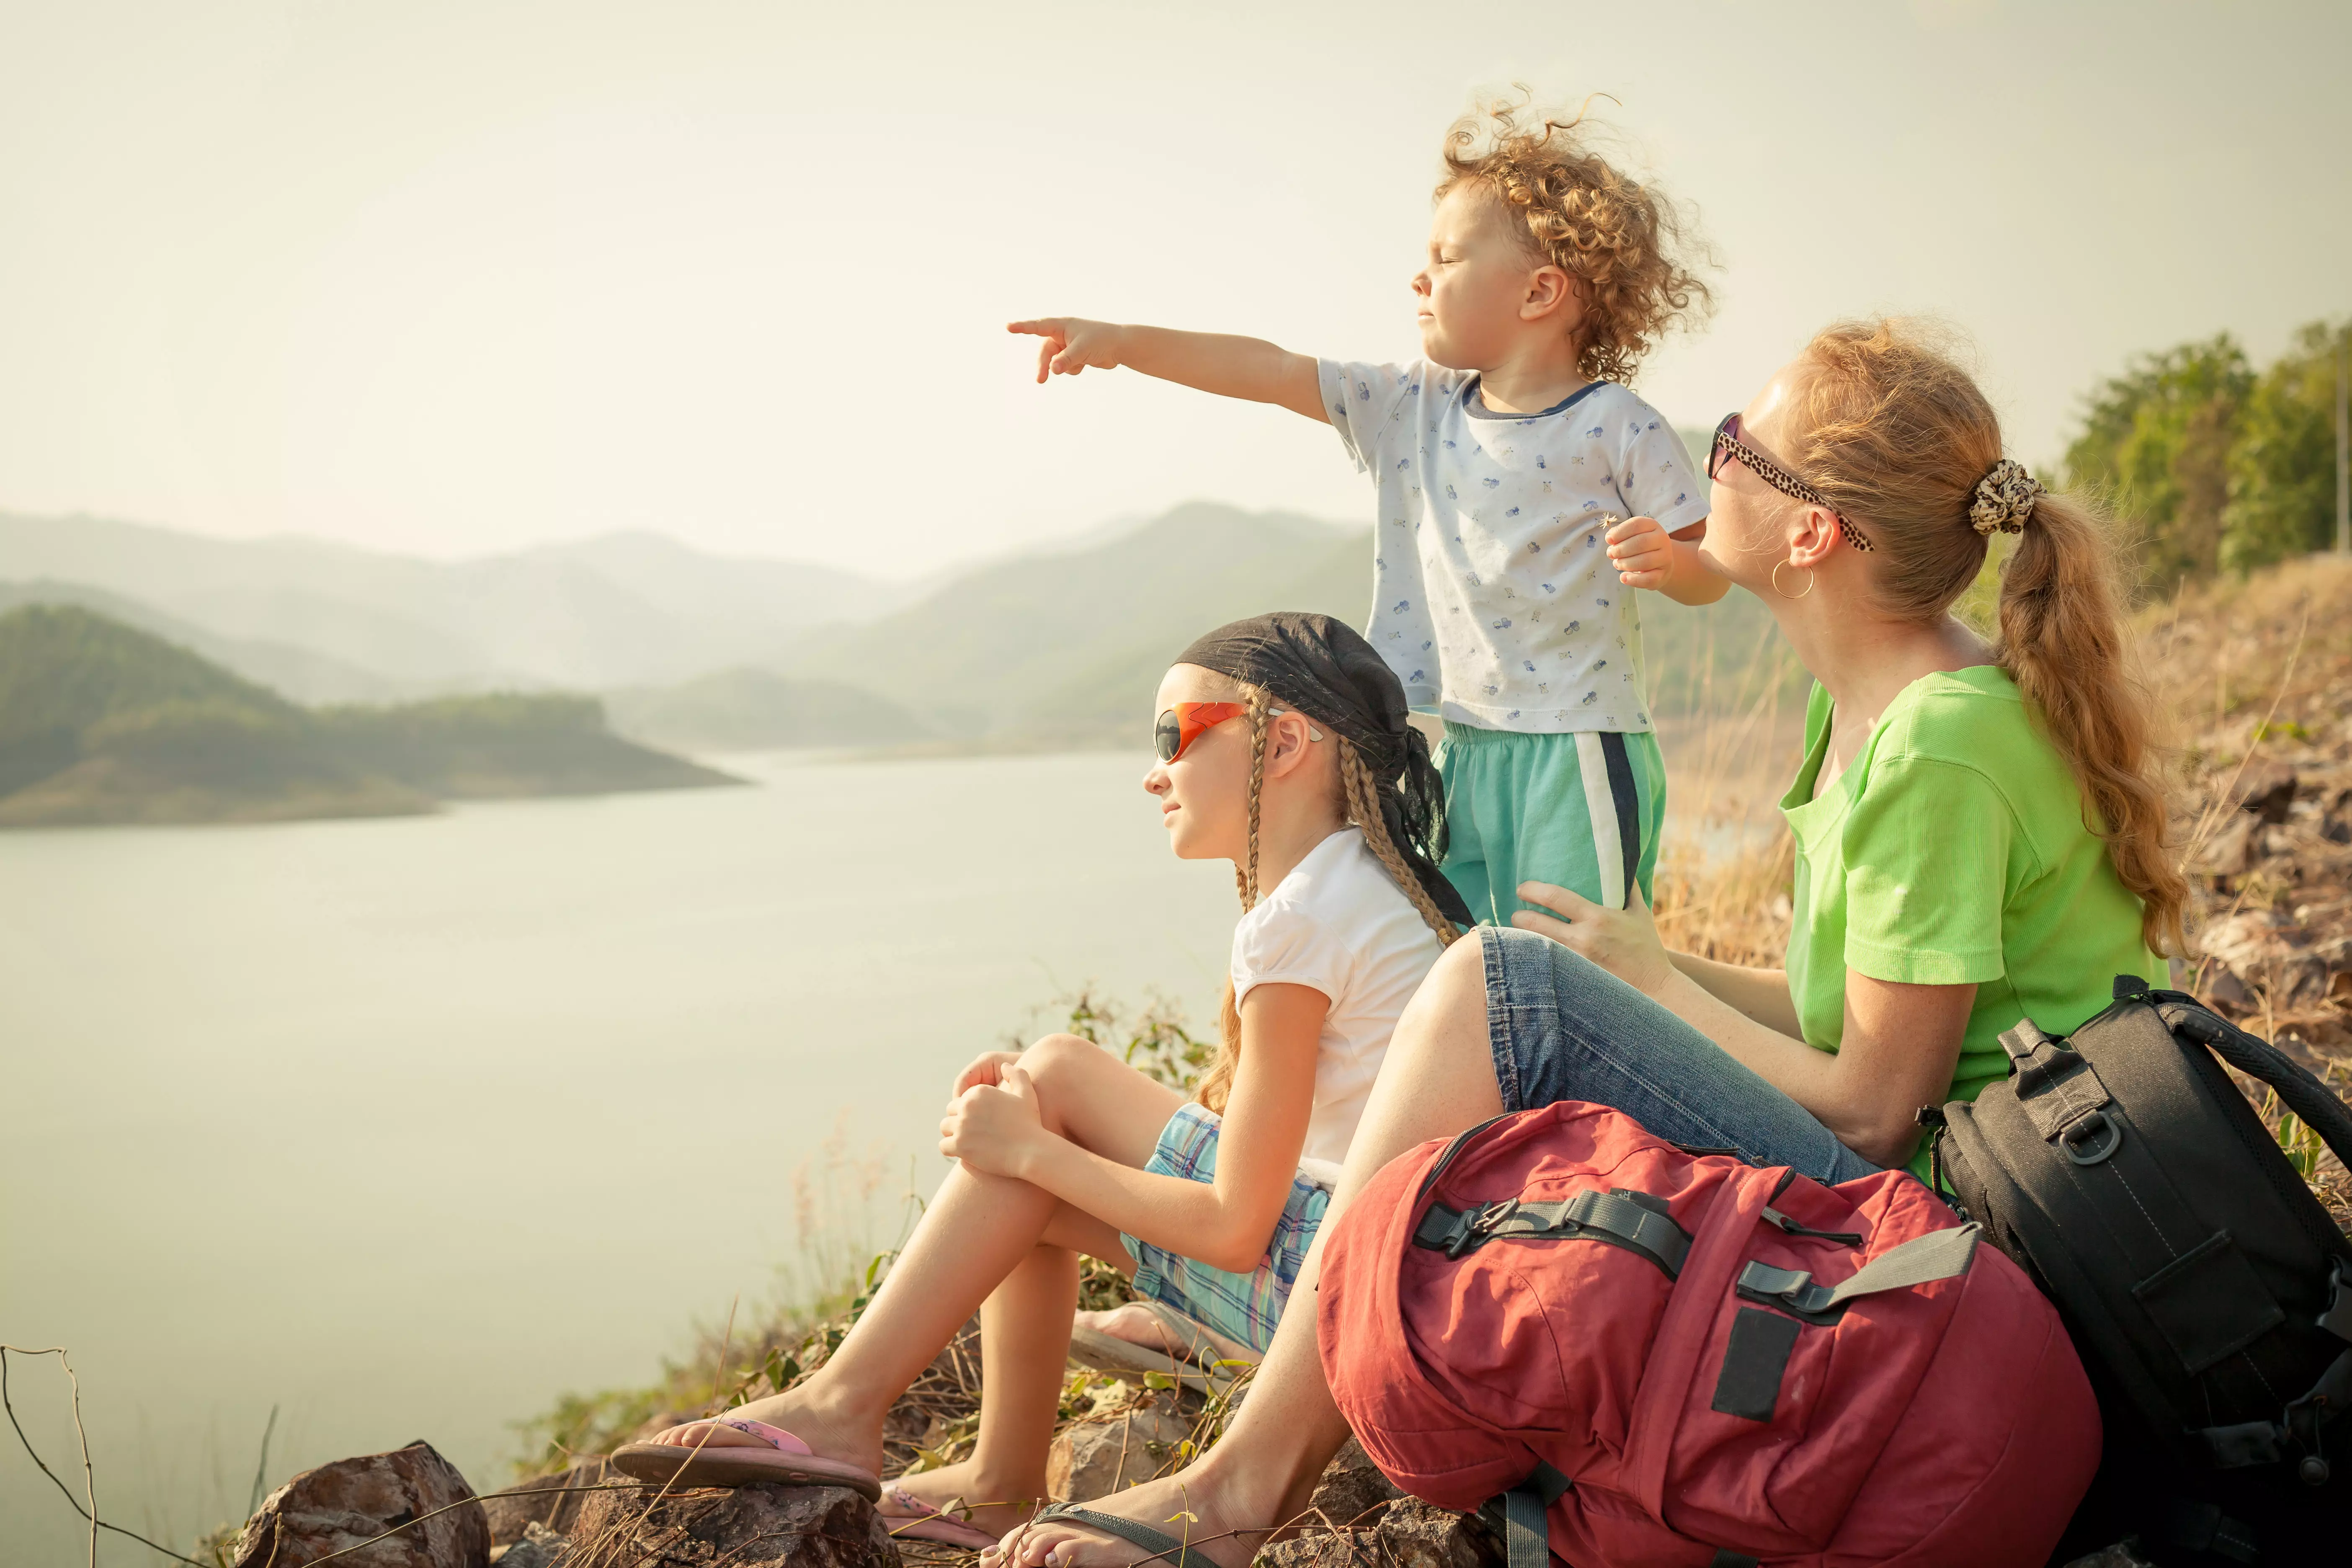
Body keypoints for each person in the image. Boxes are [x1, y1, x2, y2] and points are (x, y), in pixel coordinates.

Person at [993, 318, 2187, 1568]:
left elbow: (1882, 1105)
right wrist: (1645, 970)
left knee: (1498, 984)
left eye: (1736, 444)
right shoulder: (1899, 712)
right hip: (1955, 1190)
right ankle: (1342, 1347)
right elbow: (1856, 1012)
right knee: (1523, 993)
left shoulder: (1937, 746)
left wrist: (1650, 987)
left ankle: (1240, 1493)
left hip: (1959, 1243)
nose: (1704, 455)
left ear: (1813, 533)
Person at [613, 613, 1470, 1547]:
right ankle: (974, 1470)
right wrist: (1033, 1140)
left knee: (1034, 1131)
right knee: (1050, 1078)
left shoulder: (1300, 919)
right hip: (1385, 1275)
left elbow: (1235, 1228)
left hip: (1343, 1303)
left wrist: (1029, 1150)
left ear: (1287, 742)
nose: (1154, 773)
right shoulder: (1369, 885)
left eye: (1173, 736)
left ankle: (863, 1414)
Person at [1010, 99, 1720, 928]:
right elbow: (1270, 369)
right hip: (1464, 742)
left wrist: (1672, 567)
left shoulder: (1617, 425)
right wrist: (1128, 341)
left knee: (1588, 963)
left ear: (1540, 291)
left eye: (1447, 257)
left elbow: (1713, 572)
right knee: (1467, 952)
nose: (1420, 278)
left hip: (1577, 747)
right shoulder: (1412, 404)